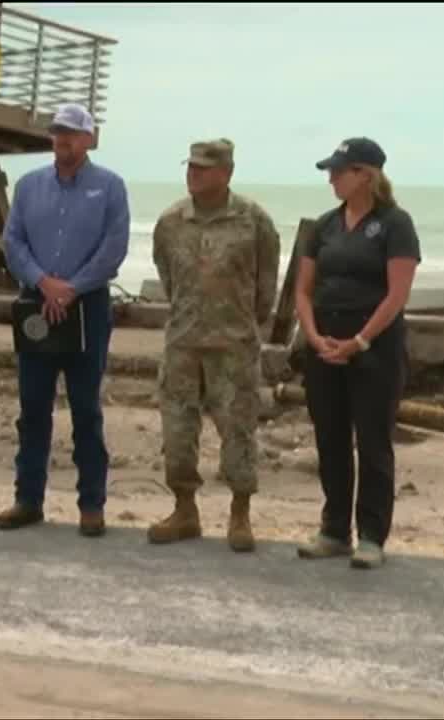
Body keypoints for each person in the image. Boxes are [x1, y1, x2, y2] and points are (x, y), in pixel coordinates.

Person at [0, 104, 130, 537]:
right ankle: (27, 499)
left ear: (90, 139)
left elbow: (114, 248)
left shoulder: (110, 187)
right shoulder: (29, 185)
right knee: (32, 408)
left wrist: (70, 289)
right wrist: (42, 282)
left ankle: (91, 504)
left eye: (72, 134)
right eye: (57, 133)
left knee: (86, 410)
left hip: (86, 307)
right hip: (36, 304)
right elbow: (13, 241)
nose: (63, 140)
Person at [147, 139, 281, 552]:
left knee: (238, 431)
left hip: (234, 346)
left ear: (226, 173)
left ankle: (239, 514)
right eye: (191, 166)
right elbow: (168, 278)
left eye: (203, 168)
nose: (194, 173)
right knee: (178, 429)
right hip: (183, 343)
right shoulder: (171, 222)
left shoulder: (253, 220)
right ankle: (185, 510)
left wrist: (241, 321)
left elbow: (266, 285)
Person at [294, 137, 420, 569]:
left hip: (374, 350)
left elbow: (397, 293)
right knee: (330, 440)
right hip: (325, 347)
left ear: (365, 175)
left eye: (339, 171)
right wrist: (313, 336)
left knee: (372, 442)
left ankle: (371, 535)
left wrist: (360, 340)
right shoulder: (324, 225)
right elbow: (303, 290)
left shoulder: (394, 223)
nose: (331, 178)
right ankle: (333, 530)